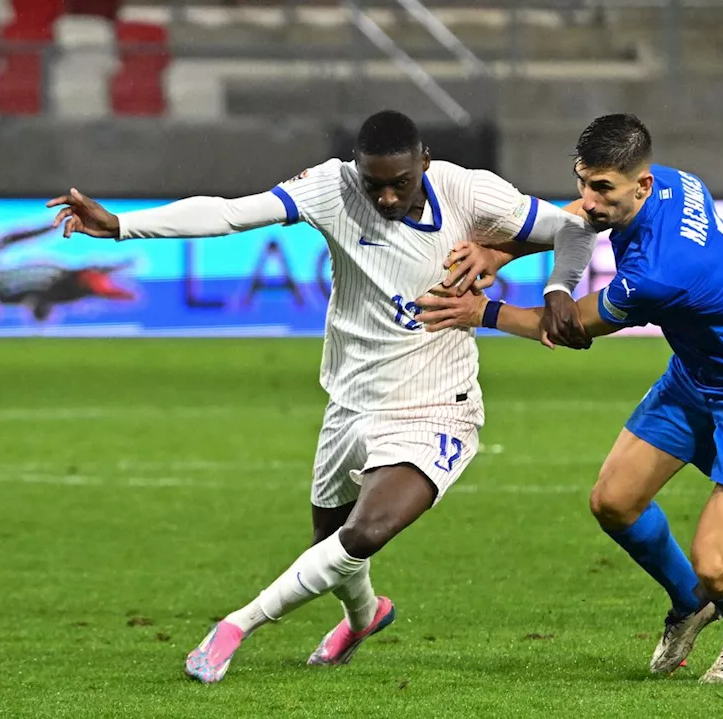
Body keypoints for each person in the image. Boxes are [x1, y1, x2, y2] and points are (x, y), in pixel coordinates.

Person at [47, 109, 598, 683]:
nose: (385, 197)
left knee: (361, 534)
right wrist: (118, 226)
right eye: (374, 183)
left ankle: (236, 626)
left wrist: (555, 285)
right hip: (350, 401)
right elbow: (232, 213)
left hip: (438, 403)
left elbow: (573, 227)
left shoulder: (470, 190)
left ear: (424, 163)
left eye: (400, 183)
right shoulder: (331, 188)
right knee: (330, 548)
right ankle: (365, 616)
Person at [417, 114, 723, 682]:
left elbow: (569, 327)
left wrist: (481, 312)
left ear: (640, 185)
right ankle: (688, 603)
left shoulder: (659, 272)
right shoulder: (672, 182)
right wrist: (500, 254)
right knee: (614, 501)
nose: (589, 198)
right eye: (584, 180)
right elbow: (579, 218)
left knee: (716, 560)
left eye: (602, 187)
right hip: (698, 374)